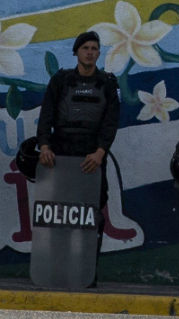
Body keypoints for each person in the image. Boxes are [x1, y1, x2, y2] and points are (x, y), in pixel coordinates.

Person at [36, 31, 120, 286]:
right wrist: (44, 146)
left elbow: (111, 121)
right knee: (58, 214)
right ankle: (57, 269)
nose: (91, 52)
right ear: (76, 52)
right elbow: (46, 116)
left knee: (91, 215)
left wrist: (100, 152)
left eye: (95, 48)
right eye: (86, 47)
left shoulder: (106, 82)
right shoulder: (61, 80)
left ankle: (87, 273)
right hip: (61, 156)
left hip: (91, 158)